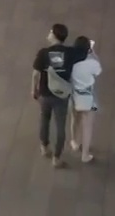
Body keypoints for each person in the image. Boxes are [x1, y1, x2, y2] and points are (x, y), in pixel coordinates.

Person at [32, 23, 75, 168]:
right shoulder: (70, 53)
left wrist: (34, 90)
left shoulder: (44, 53)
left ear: (55, 36)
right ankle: (57, 158)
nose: (49, 33)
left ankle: (44, 147)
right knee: (61, 126)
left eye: (51, 32)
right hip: (61, 95)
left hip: (45, 93)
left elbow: (35, 74)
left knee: (45, 119)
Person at [68, 36, 101, 164]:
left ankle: (74, 142)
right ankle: (85, 155)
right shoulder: (91, 63)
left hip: (74, 94)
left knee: (74, 118)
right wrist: (94, 54)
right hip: (88, 96)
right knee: (87, 126)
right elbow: (98, 70)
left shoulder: (71, 62)